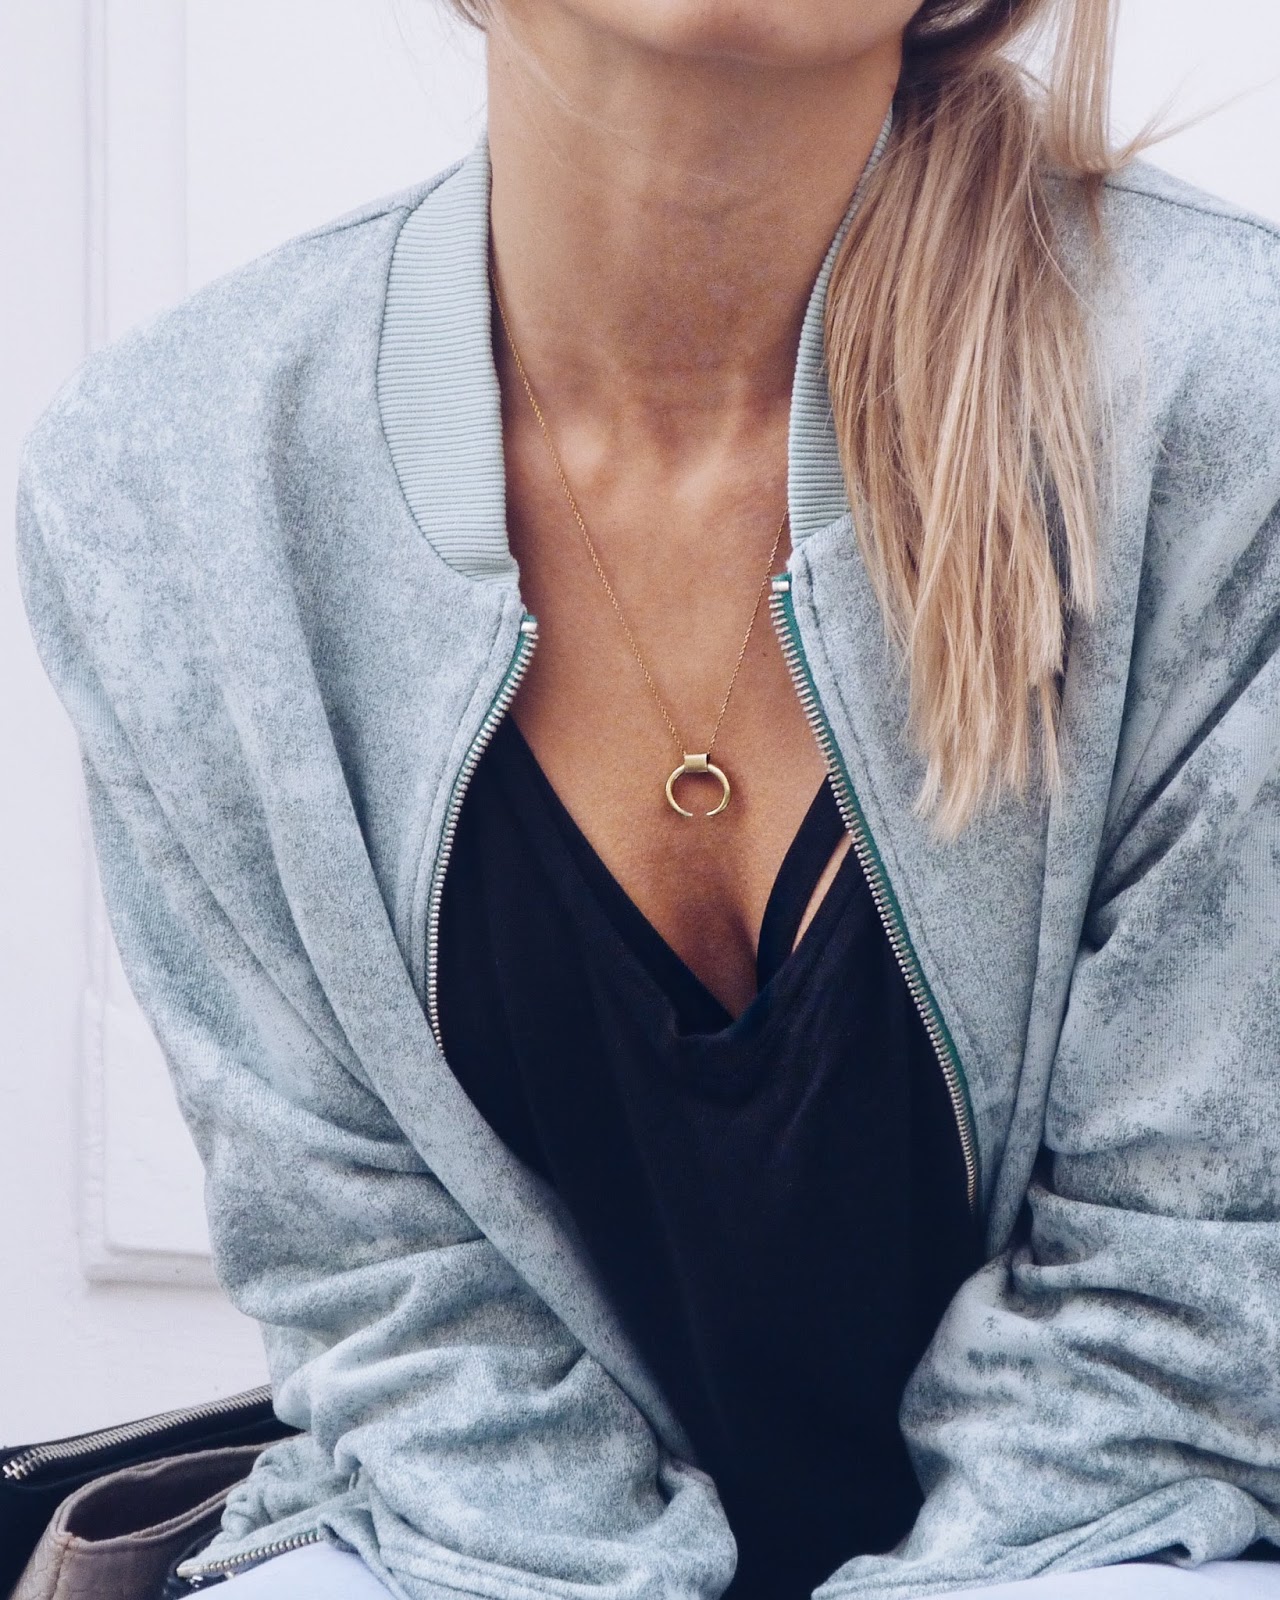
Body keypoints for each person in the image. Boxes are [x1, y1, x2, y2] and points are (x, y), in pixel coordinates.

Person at [15, 0, 1280, 1595]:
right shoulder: (172, 490)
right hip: (475, 1540)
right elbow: (399, 1313)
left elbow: (1173, 1333)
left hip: (1125, 1537)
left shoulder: (1225, 408)